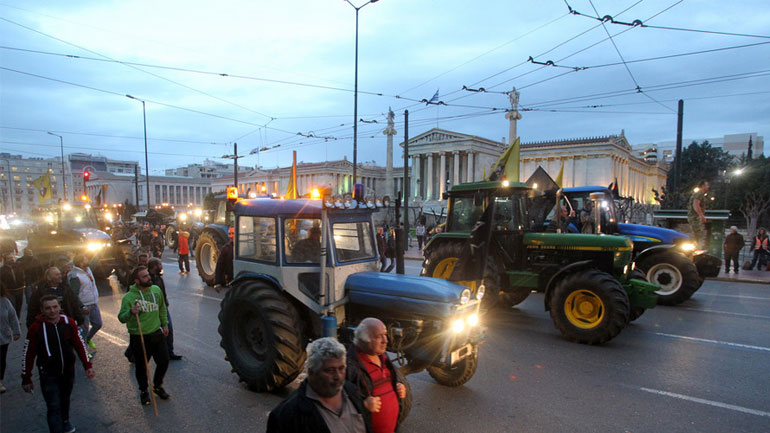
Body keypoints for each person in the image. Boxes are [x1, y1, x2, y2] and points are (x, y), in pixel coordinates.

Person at [267, 337, 372, 433]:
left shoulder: (352, 392)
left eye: (341, 368)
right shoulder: (287, 415)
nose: (338, 376)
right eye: (330, 370)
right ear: (312, 372)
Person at [22, 295, 95, 433]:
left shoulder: (69, 323)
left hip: (68, 371)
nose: (52, 311)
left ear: (59, 307)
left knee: (65, 399)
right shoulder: (36, 328)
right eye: (48, 308)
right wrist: (26, 377)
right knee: (53, 405)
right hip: (48, 374)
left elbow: (80, 345)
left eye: (55, 307)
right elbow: (28, 353)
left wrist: (88, 366)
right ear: (42, 310)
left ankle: (65, 420)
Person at [118, 266, 170, 405]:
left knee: (164, 361)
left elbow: (162, 308)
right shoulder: (129, 297)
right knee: (142, 367)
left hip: (156, 333)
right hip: (139, 336)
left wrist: (165, 325)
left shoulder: (156, 290)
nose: (149, 278)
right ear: (137, 280)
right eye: (144, 277)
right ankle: (143, 391)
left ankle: (157, 386)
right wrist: (130, 312)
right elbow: (121, 318)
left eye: (148, 275)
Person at [347, 318, 408, 433]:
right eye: (378, 337)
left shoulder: (383, 357)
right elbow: (341, 408)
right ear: (363, 340)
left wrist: (397, 388)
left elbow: (387, 383)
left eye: (385, 334)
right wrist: (364, 405)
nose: (385, 340)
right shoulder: (350, 367)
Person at [148, 258, 182, 360]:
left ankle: (169, 352)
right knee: (148, 334)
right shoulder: (148, 280)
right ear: (154, 266)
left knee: (168, 329)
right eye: (159, 264)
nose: (161, 266)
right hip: (151, 309)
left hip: (162, 308)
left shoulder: (158, 278)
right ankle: (131, 352)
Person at [68, 255, 102, 353]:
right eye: (86, 258)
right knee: (84, 329)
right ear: (81, 262)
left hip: (93, 302)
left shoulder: (87, 269)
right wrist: (81, 306)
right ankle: (83, 352)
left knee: (98, 324)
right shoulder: (75, 275)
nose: (88, 260)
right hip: (84, 306)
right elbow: (74, 294)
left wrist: (101, 250)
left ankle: (86, 340)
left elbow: (95, 260)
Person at [1, 286, 21, 393]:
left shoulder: (4, 301)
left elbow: (13, 316)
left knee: (1, 359)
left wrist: (16, 331)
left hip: (3, 336)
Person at [1, 253, 25, 320]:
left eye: (12, 257)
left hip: (20, 289)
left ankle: (17, 319)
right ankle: (13, 320)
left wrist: (23, 282)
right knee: (12, 306)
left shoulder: (18, 266)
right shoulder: (2, 270)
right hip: (10, 291)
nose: (12, 259)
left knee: (19, 306)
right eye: (9, 258)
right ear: (6, 260)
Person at [688, 180, 709, 249]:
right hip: (695, 217)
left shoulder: (697, 193)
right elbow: (696, 204)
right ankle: (695, 248)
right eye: (707, 185)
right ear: (703, 186)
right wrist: (701, 215)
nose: (708, 187)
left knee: (696, 233)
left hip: (693, 216)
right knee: (696, 233)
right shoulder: (699, 194)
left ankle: (695, 247)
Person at [214, 227, 235, 293]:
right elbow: (219, 265)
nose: (231, 236)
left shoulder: (248, 247)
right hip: (232, 280)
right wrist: (217, 282)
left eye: (233, 233)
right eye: (229, 234)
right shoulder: (226, 248)